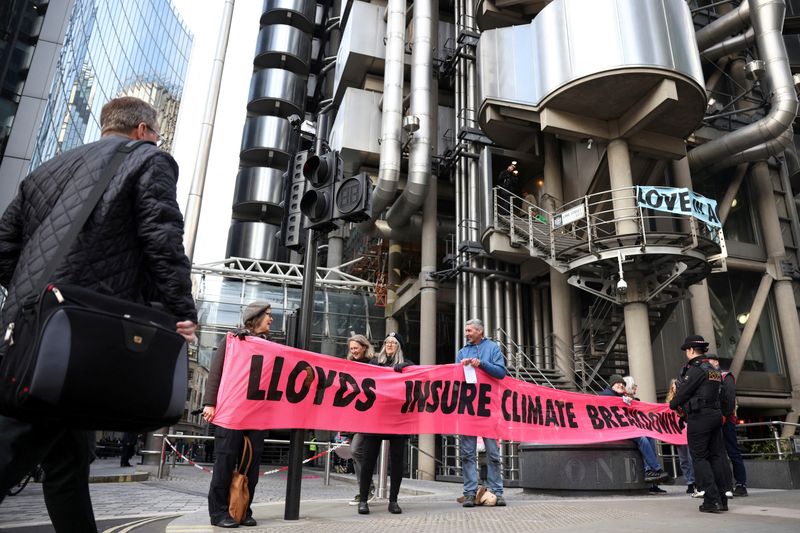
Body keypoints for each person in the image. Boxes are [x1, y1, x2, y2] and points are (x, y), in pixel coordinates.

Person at [0, 96, 197, 533]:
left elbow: (3, 250)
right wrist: (181, 312)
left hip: (27, 330)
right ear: (143, 130)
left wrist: (42, 297)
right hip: (81, 336)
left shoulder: (46, 170)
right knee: (17, 442)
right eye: (157, 134)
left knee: (69, 462)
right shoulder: (149, 159)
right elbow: (162, 238)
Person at [203, 301, 274, 528]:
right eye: (268, 315)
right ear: (256, 317)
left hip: (256, 414)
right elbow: (216, 370)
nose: (271, 319)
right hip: (231, 411)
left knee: (251, 465)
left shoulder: (271, 346)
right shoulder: (234, 339)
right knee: (225, 460)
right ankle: (219, 512)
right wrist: (209, 403)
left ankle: (243, 508)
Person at [669, 335, 729, 513]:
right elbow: (723, 395)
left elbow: (683, 393)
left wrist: (673, 403)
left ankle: (711, 500)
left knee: (700, 457)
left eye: (686, 351)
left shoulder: (695, 369)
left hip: (700, 417)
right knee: (717, 457)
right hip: (715, 415)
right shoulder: (714, 369)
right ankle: (723, 499)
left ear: (691, 350)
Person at [357, 332, 413, 516]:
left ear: (399, 346)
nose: (389, 345)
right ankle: (363, 500)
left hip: (397, 419)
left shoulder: (408, 365)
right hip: (376, 419)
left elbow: (419, 375)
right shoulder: (374, 364)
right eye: (387, 342)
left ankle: (394, 501)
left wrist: (407, 367)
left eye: (393, 342)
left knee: (397, 462)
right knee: (368, 460)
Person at [456, 319, 507, 508]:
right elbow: (455, 378)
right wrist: (459, 368)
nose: (466, 333)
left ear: (480, 331)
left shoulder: (493, 348)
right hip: (468, 408)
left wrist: (481, 364)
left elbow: (501, 373)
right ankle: (469, 493)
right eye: (466, 330)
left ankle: (497, 492)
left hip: (489, 408)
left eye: (469, 330)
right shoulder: (462, 352)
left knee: (493, 453)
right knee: (467, 453)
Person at [601, 375, 669, 487]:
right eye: (618, 383)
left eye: (623, 384)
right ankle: (656, 469)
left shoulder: (623, 397)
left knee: (649, 436)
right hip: (615, 430)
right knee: (642, 439)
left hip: (626, 429)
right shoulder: (606, 395)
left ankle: (649, 471)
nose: (621, 385)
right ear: (612, 385)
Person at [706, 354, 747, 497]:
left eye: (709, 361)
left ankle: (741, 484)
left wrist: (724, 415)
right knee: (719, 453)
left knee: (732, 451)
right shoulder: (710, 377)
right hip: (716, 419)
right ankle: (725, 485)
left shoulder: (725, 376)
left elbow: (729, 398)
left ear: (716, 362)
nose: (707, 364)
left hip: (726, 420)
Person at [345, 334, 377, 506]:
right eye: (351, 349)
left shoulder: (373, 364)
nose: (354, 351)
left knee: (356, 450)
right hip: (352, 414)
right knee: (354, 453)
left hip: (367, 414)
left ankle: (368, 486)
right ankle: (363, 490)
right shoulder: (349, 364)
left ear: (365, 347)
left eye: (356, 348)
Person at [666, 379, 701, 498]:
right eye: (673, 386)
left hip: (688, 430)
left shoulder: (686, 398)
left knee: (692, 458)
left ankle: (697, 480)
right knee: (683, 460)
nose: (674, 388)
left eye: (676, 386)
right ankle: (690, 482)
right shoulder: (669, 402)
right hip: (678, 433)